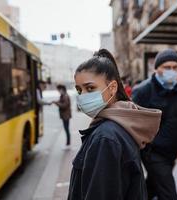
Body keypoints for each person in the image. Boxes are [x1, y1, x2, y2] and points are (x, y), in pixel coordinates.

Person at [68, 49, 162, 200]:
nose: (83, 96)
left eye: (90, 88)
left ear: (112, 88)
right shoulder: (119, 125)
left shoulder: (105, 137)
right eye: (79, 90)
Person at [132, 49, 177, 200]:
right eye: (167, 67)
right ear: (156, 68)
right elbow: (134, 123)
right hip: (153, 153)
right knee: (169, 194)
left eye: (175, 67)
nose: (171, 71)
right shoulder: (143, 91)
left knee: (151, 187)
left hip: (172, 153)